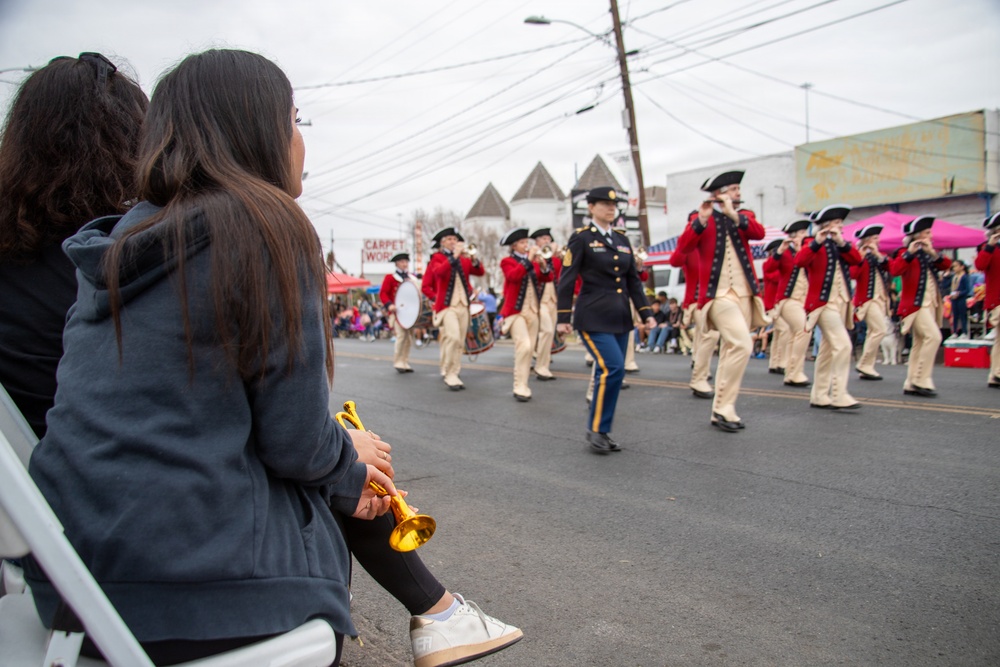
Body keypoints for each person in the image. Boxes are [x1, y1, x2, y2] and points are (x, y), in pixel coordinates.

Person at [17, 50, 405, 665]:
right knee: (330, 505)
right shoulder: (267, 224)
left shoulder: (120, 239)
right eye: (295, 120)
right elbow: (295, 440)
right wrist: (349, 466)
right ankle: (436, 613)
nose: (301, 140)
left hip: (71, 581)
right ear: (260, 130)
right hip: (193, 592)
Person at [557, 186, 655, 453]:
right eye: (603, 204)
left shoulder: (623, 240)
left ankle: (602, 429)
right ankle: (597, 430)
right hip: (592, 316)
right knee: (614, 369)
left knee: (608, 372)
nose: (610, 209)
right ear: (591, 208)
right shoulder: (581, 239)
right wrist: (562, 317)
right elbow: (566, 278)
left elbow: (633, 281)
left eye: (613, 206)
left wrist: (646, 313)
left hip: (621, 317)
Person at [676, 170, 767, 432]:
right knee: (741, 344)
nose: (738, 193)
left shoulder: (744, 216)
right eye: (733, 189)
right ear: (719, 193)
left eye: (738, 189)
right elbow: (682, 249)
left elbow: (758, 234)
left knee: (730, 349)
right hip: (717, 295)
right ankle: (722, 407)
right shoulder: (700, 217)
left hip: (744, 293)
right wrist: (701, 221)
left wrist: (733, 214)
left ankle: (722, 408)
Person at [796, 205, 863, 410]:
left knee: (826, 350)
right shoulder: (812, 243)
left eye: (840, 223)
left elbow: (857, 260)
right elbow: (800, 261)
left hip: (841, 301)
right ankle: (839, 394)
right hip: (822, 303)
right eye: (836, 223)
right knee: (843, 345)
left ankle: (819, 394)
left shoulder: (841, 244)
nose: (840, 226)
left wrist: (841, 241)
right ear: (825, 225)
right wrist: (818, 240)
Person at [889, 215, 951, 398]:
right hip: (915, 305)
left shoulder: (929, 253)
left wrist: (933, 253)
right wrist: (909, 252)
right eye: (926, 233)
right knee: (934, 337)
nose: (930, 236)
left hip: (930, 303)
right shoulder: (904, 252)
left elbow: (946, 265)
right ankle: (920, 379)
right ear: (916, 236)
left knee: (919, 342)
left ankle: (910, 383)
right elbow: (895, 270)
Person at [422, 227, 485, 390]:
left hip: (463, 304)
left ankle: (454, 372)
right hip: (446, 306)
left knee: (459, 342)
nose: (453, 242)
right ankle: (449, 373)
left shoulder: (464, 259)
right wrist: (435, 299)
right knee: (453, 337)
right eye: (449, 239)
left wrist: (474, 258)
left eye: (455, 239)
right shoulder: (437, 258)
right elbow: (439, 273)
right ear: (443, 242)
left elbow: (479, 271)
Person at [498, 227, 552, 401]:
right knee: (525, 346)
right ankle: (518, 385)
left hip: (533, 310)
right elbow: (514, 276)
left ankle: (524, 384)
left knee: (528, 351)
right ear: (514, 246)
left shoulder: (534, 261)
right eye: (522, 243)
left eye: (526, 242)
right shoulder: (507, 261)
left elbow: (548, 278)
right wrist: (529, 259)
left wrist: (543, 266)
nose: (526, 245)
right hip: (515, 311)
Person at [670, 244, 719, 398]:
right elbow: (675, 261)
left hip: (712, 298)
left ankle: (697, 360)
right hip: (696, 300)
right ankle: (700, 375)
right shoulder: (690, 249)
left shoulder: (714, 245)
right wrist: (688, 238)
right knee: (709, 334)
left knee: (701, 333)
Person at [771, 219, 812, 388]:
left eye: (805, 233)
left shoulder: (808, 251)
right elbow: (769, 269)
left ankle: (790, 369)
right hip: (788, 300)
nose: (805, 236)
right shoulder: (785, 253)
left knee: (795, 334)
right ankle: (794, 372)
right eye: (802, 233)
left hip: (804, 299)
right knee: (803, 329)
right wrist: (780, 251)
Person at [850, 224, 892, 380]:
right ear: (867, 240)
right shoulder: (859, 255)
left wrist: (879, 256)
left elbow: (892, 269)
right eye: (875, 238)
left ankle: (868, 365)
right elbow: (853, 274)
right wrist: (861, 256)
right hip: (867, 299)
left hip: (880, 298)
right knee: (879, 329)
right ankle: (864, 364)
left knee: (873, 331)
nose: (878, 240)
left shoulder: (879, 256)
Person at [529, 227, 561, 381]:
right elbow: (537, 273)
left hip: (553, 299)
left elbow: (560, 272)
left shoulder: (554, 258)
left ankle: (543, 364)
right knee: (546, 330)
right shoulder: (532, 257)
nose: (546, 241)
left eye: (548, 238)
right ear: (536, 242)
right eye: (543, 239)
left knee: (548, 332)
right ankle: (541, 367)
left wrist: (558, 255)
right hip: (538, 299)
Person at [380, 252, 418, 373]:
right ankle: (398, 361)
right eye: (402, 262)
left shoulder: (412, 278)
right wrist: (389, 305)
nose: (404, 264)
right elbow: (383, 293)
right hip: (398, 312)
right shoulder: (390, 278)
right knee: (401, 337)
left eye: (406, 262)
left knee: (409, 338)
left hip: (411, 313)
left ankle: (405, 361)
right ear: (397, 263)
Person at [975, 212, 1000, 388]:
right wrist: (991, 245)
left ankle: (995, 374)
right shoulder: (986, 247)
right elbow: (980, 265)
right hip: (997, 299)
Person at [760, 238, 788, 375]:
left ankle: (774, 362)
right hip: (772, 305)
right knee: (785, 330)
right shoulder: (768, 265)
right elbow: (779, 278)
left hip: (779, 304)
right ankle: (781, 361)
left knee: (778, 332)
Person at [947, 260, 972, 340]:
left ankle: (964, 332)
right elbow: (946, 285)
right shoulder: (954, 277)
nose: (954, 268)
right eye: (953, 266)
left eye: (956, 266)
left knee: (962, 316)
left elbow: (967, 289)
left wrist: (959, 293)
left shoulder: (964, 277)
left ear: (962, 267)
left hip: (961, 298)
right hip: (954, 298)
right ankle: (955, 332)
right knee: (955, 316)